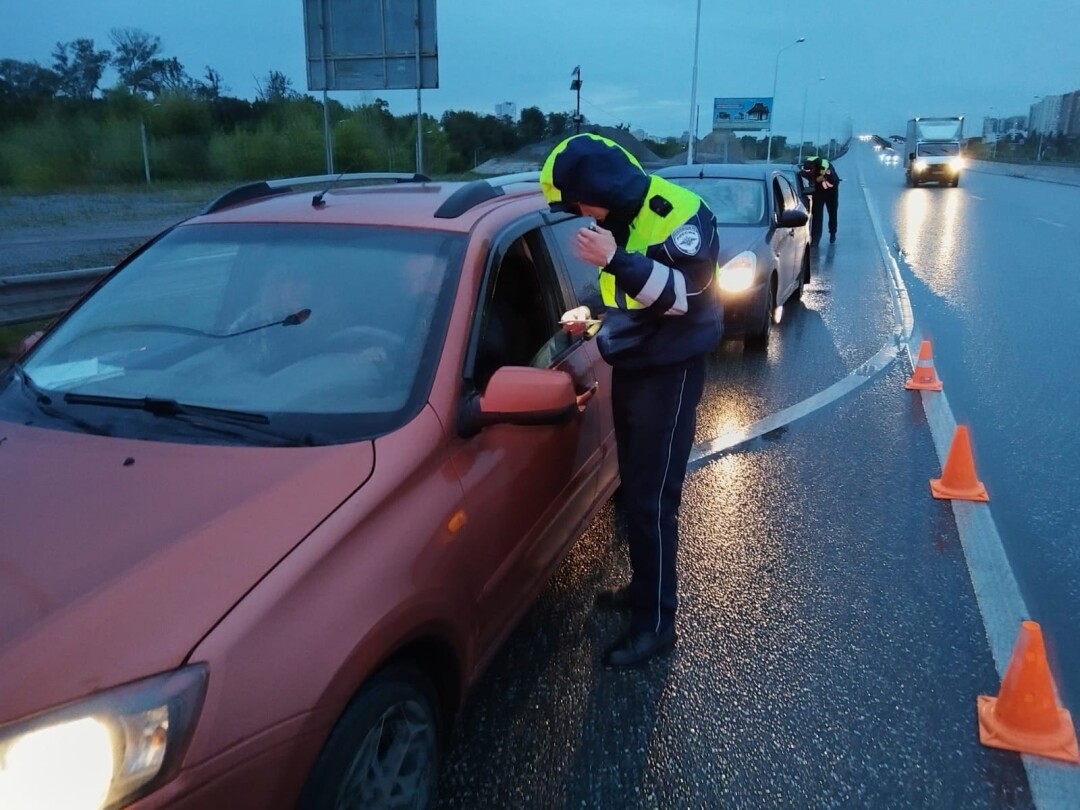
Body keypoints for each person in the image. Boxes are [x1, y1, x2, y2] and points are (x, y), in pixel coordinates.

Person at [541, 133, 723, 668]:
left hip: (671, 370)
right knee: (636, 490)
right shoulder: (616, 217)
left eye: (577, 200)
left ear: (599, 186)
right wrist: (592, 315)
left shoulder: (679, 212)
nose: (577, 212)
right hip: (636, 364)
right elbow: (627, 300)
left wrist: (615, 258)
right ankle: (644, 590)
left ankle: (657, 623)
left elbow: (682, 298)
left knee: (653, 501)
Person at [800, 155, 841, 245]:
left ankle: (832, 233)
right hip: (818, 190)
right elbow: (803, 174)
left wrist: (820, 179)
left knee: (832, 212)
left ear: (814, 168)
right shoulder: (807, 165)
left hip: (831, 190)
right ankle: (815, 240)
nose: (809, 174)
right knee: (817, 215)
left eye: (810, 172)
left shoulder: (825, 168)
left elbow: (832, 182)